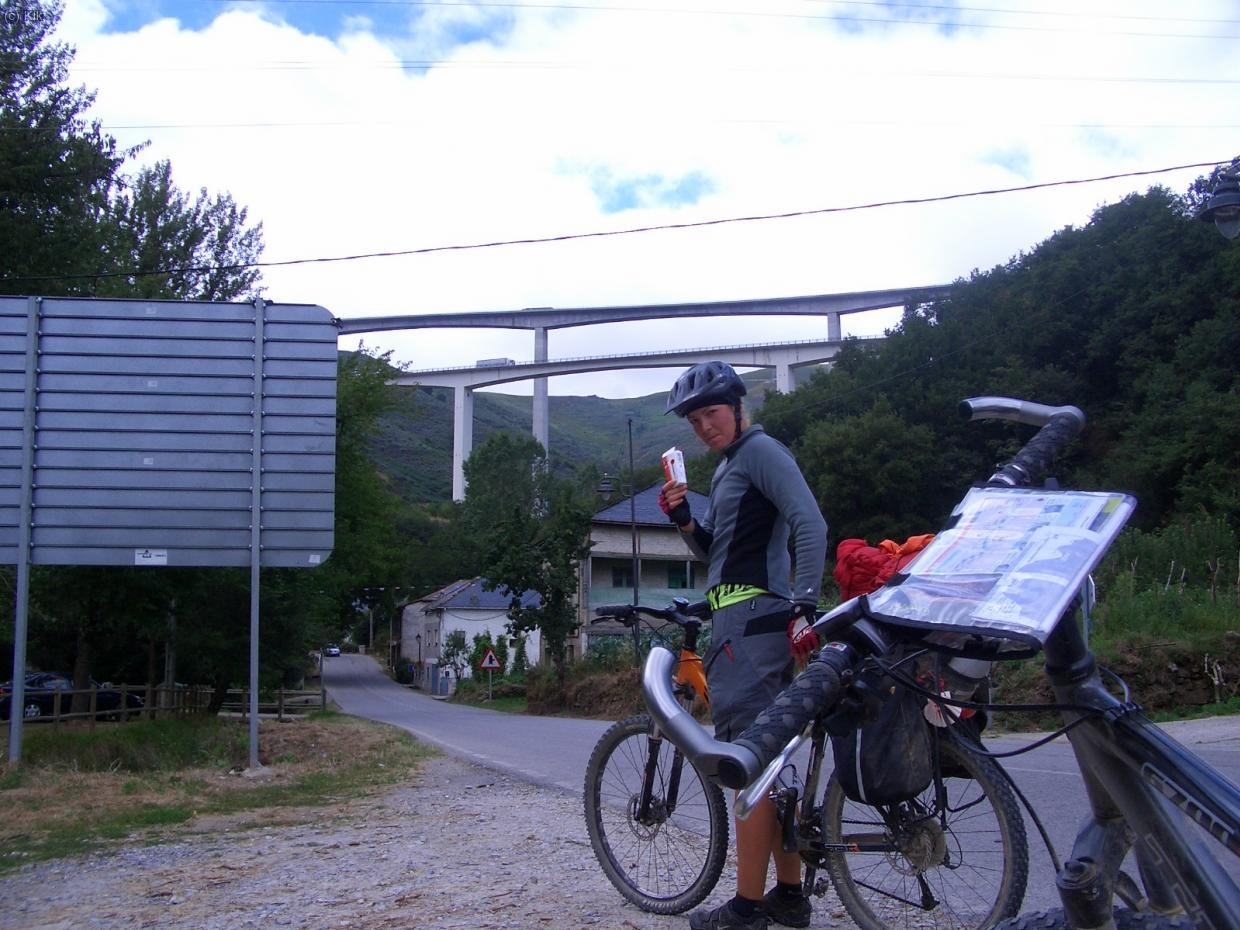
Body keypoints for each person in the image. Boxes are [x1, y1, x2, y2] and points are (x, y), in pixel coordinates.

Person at [659, 361, 828, 930]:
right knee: (771, 762)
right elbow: (719, 555)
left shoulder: (760, 452)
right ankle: (787, 895)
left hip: (753, 624)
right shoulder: (733, 467)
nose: (703, 426)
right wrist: (683, 516)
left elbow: (809, 521)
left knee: (747, 763)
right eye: (694, 419)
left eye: (711, 412)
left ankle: (746, 908)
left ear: (737, 405)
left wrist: (805, 601)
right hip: (739, 618)